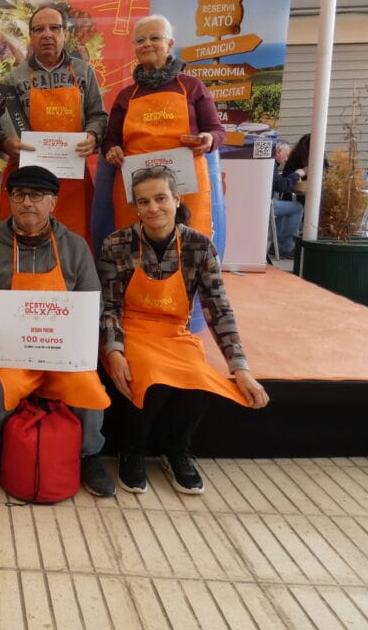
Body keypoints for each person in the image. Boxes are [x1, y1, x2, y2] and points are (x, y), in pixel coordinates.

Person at [97, 165, 269, 495]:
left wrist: (241, 368)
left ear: (177, 199)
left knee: (198, 380)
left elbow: (219, 308)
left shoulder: (200, 247)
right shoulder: (116, 244)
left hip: (175, 333)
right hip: (132, 332)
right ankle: (132, 450)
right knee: (151, 380)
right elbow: (110, 307)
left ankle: (178, 450)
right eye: (143, 202)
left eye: (161, 198)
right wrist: (113, 350)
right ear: (135, 207)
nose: (153, 208)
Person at [0, 166, 114, 495]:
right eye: (18, 195)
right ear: (10, 201)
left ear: (53, 203)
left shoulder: (75, 247)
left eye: (36, 195)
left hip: (63, 353)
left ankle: (89, 454)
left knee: (88, 386)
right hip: (12, 353)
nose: (27, 203)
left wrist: (76, 334)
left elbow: (93, 304)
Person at [102, 14, 224, 237]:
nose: (147, 43)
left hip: (185, 186)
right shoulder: (125, 96)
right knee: (134, 247)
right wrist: (112, 150)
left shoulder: (192, 86)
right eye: (140, 40)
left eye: (155, 37)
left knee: (188, 247)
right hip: (136, 185)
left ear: (170, 44)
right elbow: (110, 141)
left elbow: (217, 130)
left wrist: (209, 139)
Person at [0, 5, 108, 239]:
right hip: (25, 180)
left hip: (72, 180)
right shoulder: (12, 79)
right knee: (21, 244)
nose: (47, 34)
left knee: (74, 244)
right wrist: (7, 143)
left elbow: (98, 116)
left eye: (54, 28)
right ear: (31, 37)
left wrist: (93, 135)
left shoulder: (84, 71)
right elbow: (0, 129)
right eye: (39, 29)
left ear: (65, 34)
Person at [271, 142, 305, 259]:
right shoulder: (271, 164)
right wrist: (297, 174)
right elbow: (281, 186)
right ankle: (286, 246)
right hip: (265, 203)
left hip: (262, 202)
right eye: (286, 155)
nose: (286, 159)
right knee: (297, 208)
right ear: (278, 152)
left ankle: (277, 245)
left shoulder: (270, 164)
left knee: (285, 210)